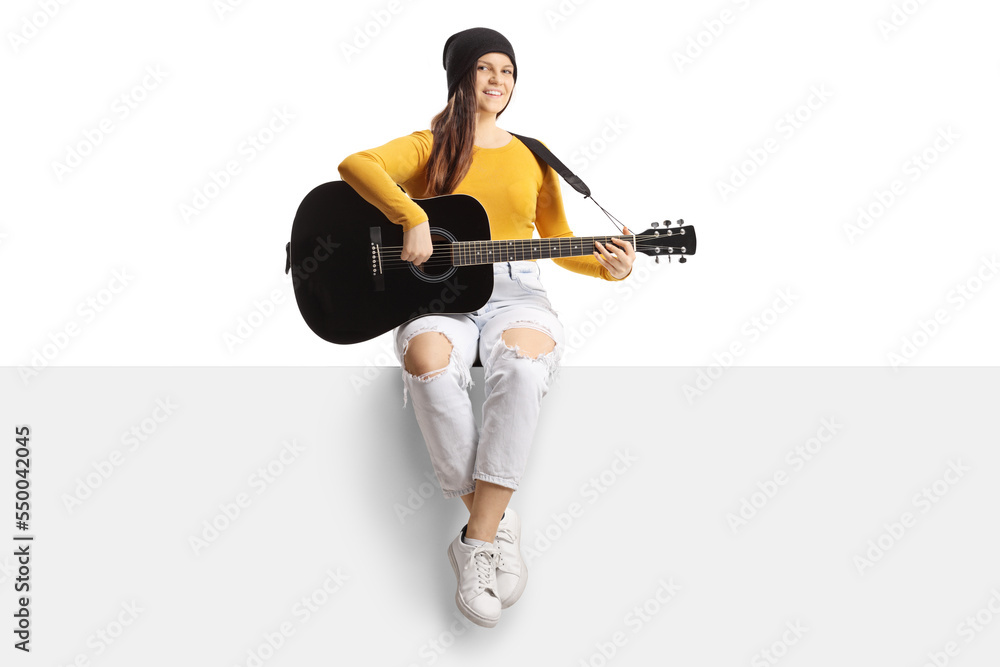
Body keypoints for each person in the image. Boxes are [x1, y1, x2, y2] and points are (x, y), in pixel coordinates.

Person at [337, 27, 634, 628]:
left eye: (508, 70)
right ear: (460, 76)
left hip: (516, 290)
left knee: (522, 368)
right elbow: (355, 165)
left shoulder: (534, 153)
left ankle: (476, 542)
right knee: (427, 365)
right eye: (484, 68)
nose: (498, 80)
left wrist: (609, 268)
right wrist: (411, 215)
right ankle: (497, 520)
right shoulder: (429, 145)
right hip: (438, 295)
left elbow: (553, 237)